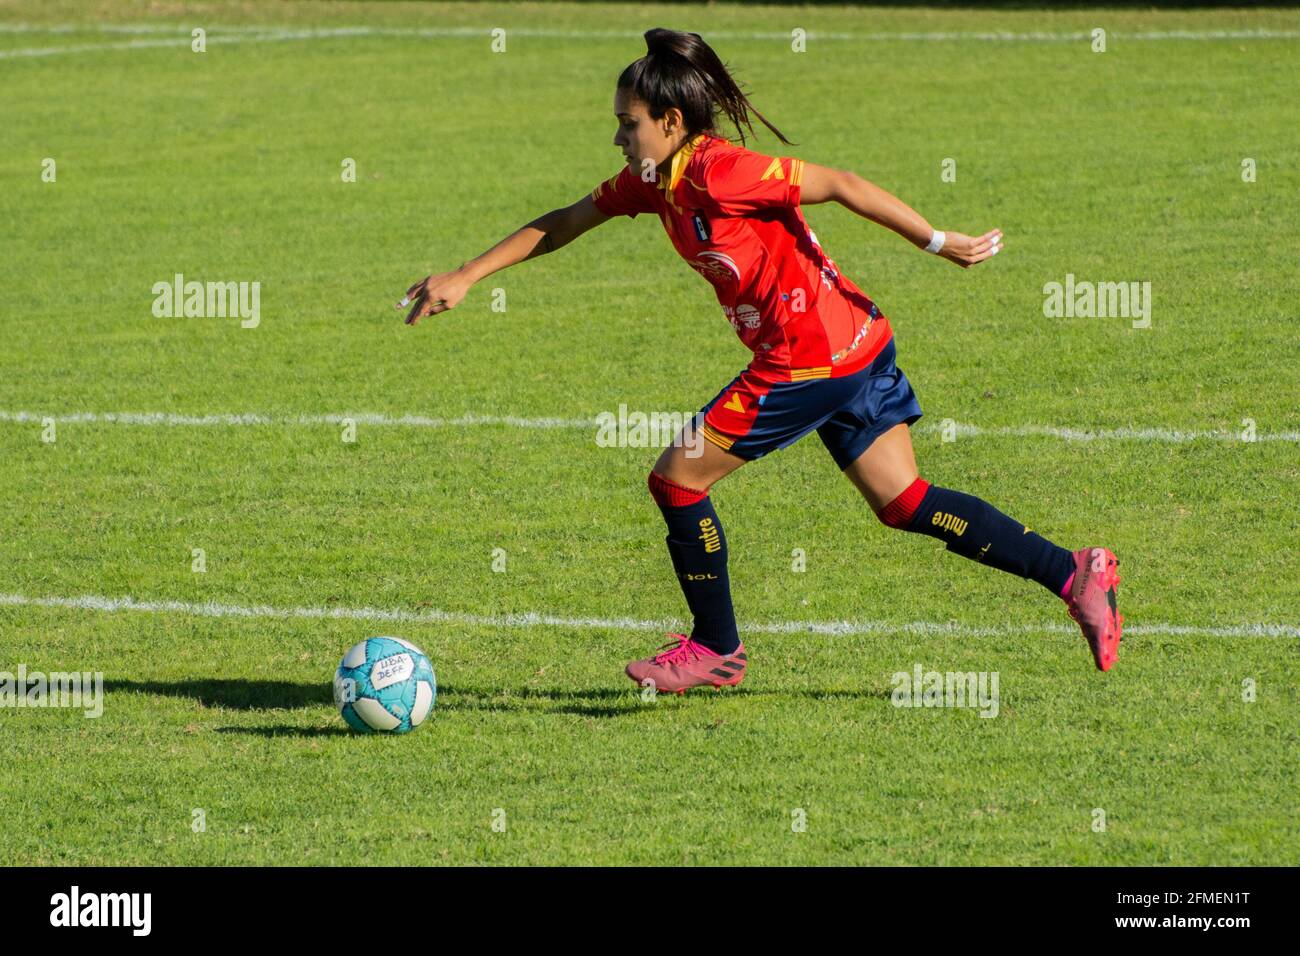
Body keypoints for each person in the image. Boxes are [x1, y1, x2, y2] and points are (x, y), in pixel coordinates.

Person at [397, 28, 1122, 695]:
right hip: (858, 343)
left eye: (628, 121)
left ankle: (716, 647)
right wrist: (465, 275)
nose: (618, 135)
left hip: (808, 362)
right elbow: (562, 224)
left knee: (676, 480)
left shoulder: (722, 172)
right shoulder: (657, 183)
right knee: (904, 501)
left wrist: (939, 241)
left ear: (671, 124)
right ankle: (1074, 573)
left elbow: (840, 182)